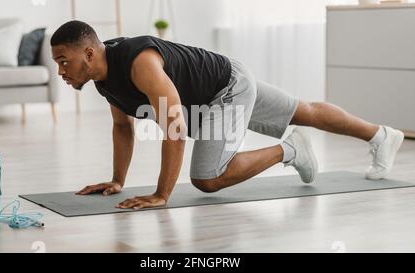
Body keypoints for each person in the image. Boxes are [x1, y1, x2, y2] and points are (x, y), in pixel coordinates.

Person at [50, 20, 404, 210]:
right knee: (304, 110)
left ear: (91, 53)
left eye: (65, 61)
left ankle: (291, 149)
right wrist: (117, 181)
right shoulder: (105, 81)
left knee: (207, 177)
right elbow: (121, 127)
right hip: (224, 79)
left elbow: (174, 128)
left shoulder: (139, 62)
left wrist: (161, 195)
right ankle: (381, 135)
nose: (62, 71)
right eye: (57, 64)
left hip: (227, 88)